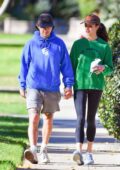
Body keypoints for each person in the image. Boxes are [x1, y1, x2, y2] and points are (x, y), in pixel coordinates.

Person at [18, 12, 74, 164]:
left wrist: (68, 85)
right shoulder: (31, 43)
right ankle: (33, 149)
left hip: (52, 88)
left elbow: (66, 66)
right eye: (43, 27)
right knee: (34, 117)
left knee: (48, 118)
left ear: (52, 27)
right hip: (33, 86)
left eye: (48, 27)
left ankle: (43, 149)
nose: (46, 30)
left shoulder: (59, 44)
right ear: (37, 26)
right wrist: (22, 84)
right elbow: (23, 65)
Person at [70, 14, 113, 165]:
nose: (87, 28)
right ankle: (78, 151)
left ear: (97, 26)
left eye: (90, 25)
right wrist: (68, 85)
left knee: (91, 120)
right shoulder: (77, 45)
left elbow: (110, 68)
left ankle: (89, 153)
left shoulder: (104, 46)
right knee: (80, 118)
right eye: (85, 25)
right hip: (80, 85)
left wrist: (103, 68)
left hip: (96, 86)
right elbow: (71, 67)